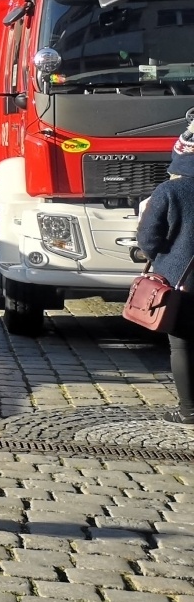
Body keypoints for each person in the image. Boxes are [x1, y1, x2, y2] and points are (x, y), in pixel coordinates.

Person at [138, 145, 194, 423]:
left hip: (181, 283)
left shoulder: (169, 191)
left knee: (182, 346)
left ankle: (188, 410)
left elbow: (148, 238)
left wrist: (161, 259)